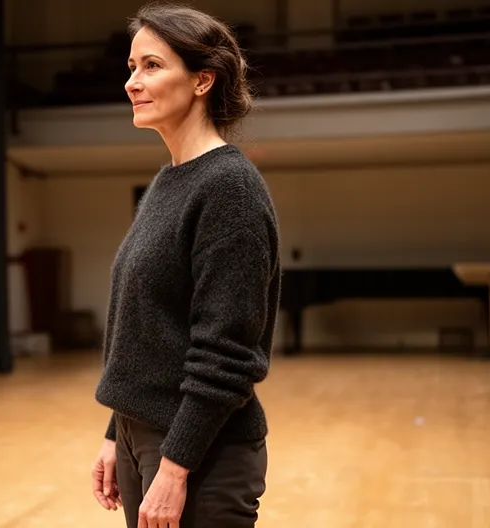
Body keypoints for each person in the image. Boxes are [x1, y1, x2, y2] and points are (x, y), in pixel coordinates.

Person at [90, 4, 281, 527]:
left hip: (200, 454)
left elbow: (229, 353)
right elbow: (148, 330)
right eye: (131, 67)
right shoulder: (169, 181)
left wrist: (174, 468)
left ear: (202, 80)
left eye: (151, 66)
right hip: (144, 435)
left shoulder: (229, 188)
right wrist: (117, 431)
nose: (133, 81)